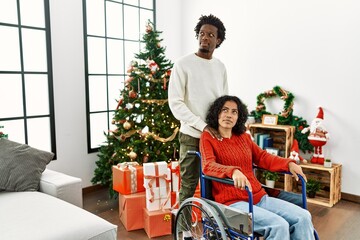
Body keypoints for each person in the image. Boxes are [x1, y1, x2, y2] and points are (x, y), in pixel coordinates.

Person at [200, 95, 315, 240]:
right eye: (225, 110)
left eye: (234, 112)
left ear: (239, 116)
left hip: (258, 197)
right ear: (217, 113)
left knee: (303, 217)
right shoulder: (208, 137)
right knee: (278, 226)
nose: (229, 115)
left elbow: (262, 157)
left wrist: (289, 163)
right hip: (233, 203)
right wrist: (233, 171)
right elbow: (208, 165)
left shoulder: (243, 137)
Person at [168, 14, 228, 209]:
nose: (205, 38)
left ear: (218, 40)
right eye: (202, 33)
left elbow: (224, 101)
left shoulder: (220, 67)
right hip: (191, 136)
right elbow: (176, 104)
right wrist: (203, 126)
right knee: (188, 186)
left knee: (213, 187)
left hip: (215, 138)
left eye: (211, 34)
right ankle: (182, 232)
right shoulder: (182, 64)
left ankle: (210, 230)